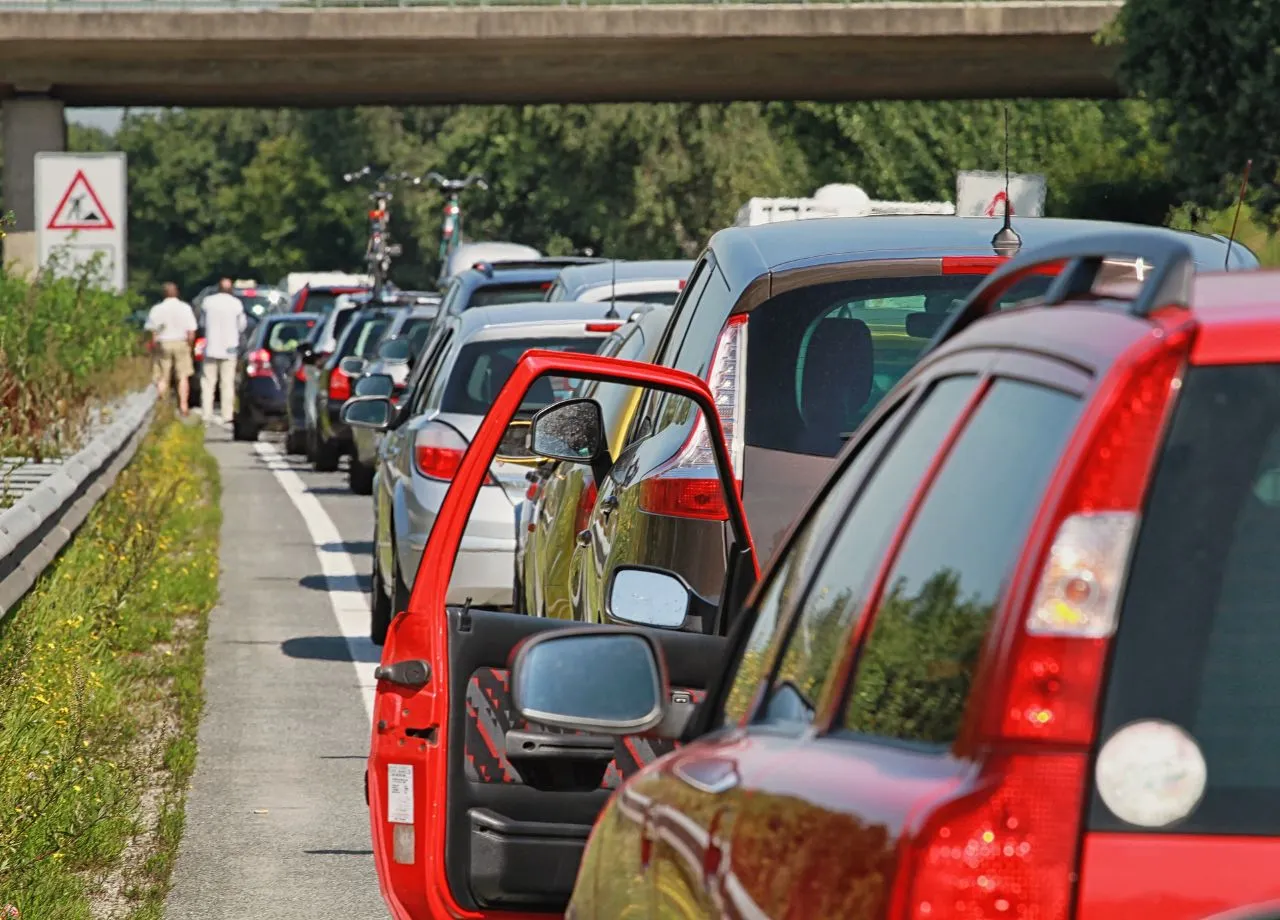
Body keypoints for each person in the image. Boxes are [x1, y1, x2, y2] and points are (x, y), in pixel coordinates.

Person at [145, 282, 197, 415]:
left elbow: (152, 331)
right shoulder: (185, 308)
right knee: (183, 376)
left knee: (163, 376)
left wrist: (153, 346)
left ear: (164, 294)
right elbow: (191, 331)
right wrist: (190, 347)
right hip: (181, 342)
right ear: (177, 293)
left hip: (164, 342)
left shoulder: (157, 309)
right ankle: (184, 406)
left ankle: (163, 405)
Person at [199, 277, 247, 425]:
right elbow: (242, 326)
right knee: (227, 383)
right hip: (229, 348)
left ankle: (207, 413)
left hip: (212, 347)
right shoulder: (236, 304)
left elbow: (202, 323)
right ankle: (227, 414)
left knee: (208, 382)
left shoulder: (207, 302)